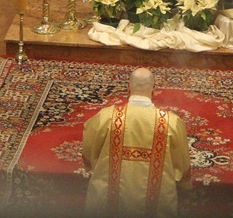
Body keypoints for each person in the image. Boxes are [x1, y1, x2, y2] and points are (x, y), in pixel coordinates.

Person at [82, 68, 191, 217]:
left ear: (128, 87)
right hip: (157, 203)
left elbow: (89, 150)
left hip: (108, 203)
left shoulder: (106, 117)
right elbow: (181, 163)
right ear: (153, 89)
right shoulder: (171, 122)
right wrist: (185, 185)